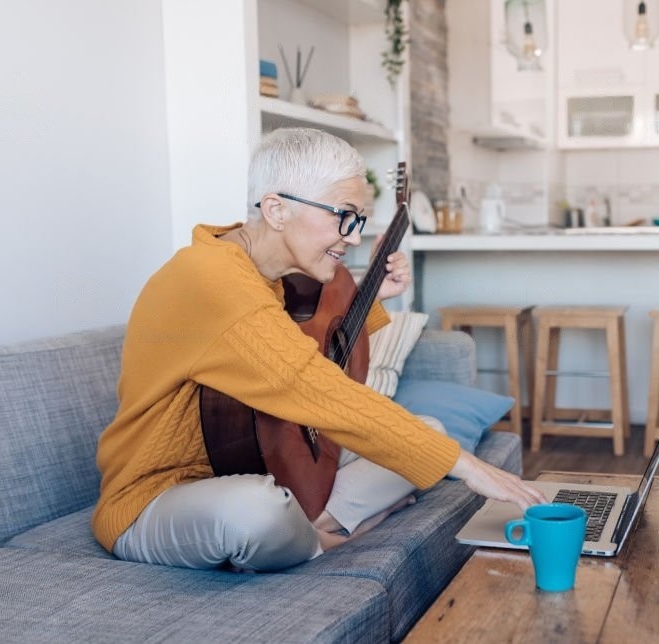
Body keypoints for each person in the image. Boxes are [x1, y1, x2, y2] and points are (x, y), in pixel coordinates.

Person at [93, 127, 545, 571]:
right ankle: (320, 539)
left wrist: (369, 299)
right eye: (343, 215)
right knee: (257, 511)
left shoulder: (264, 276)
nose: (352, 237)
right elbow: (311, 384)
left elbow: (285, 352)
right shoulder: (210, 279)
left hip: (251, 461)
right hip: (159, 495)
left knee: (428, 431)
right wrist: (468, 467)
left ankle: (319, 523)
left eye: (358, 220)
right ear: (276, 209)